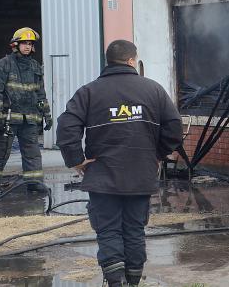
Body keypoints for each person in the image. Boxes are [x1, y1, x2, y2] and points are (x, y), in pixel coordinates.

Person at [56, 40, 182, 287]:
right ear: (132, 60)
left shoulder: (89, 92)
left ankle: (115, 282)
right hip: (140, 175)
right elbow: (174, 128)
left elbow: (66, 126)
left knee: (109, 230)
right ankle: (132, 282)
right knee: (134, 230)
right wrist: (157, 154)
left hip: (103, 177)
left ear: (109, 61)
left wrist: (77, 160)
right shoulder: (153, 90)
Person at [0, 27, 52, 194]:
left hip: (29, 118)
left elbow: (40, 92)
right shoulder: (3, 65)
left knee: (32, 153)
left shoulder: (35, 67)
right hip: (8, 118)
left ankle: (34, 183)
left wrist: (47, 114)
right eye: (24, 43)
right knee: (0, 152)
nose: (28, 46)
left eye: (30, 44)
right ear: (15, 45)